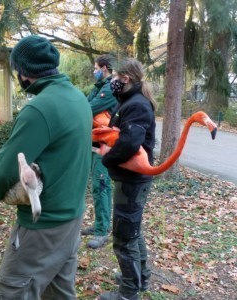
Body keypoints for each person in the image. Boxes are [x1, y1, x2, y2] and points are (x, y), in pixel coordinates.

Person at [0, 35, 92, 299]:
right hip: (71, 217)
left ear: (23, 72)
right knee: (59, 291)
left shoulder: (40, 109)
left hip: (43, 225)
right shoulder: (78, 99)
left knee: (13, 289)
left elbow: (7, 166)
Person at [99, 58, 157, 300]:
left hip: (132, 181)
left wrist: (106, 158)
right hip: (132, 179)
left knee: (124, 238)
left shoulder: (137, 105)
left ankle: (128, 292)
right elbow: (118, 135)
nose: (110, 81)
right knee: (133, 231)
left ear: (125, 79)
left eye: (114, 77)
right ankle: (140, 278)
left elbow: (129, 143)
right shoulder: (129, 102)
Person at [81, 55, 117, 249]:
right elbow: (87, 104)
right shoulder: (102, 87)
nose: (94, 71)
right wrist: (96, 87)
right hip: (97, 143)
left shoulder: (110, 87)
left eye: (95, 68)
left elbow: (88, 108)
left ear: (104, 68)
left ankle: (102, 231)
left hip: (105, 145)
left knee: (101, 185)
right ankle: (99, 225)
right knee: (99, 186)